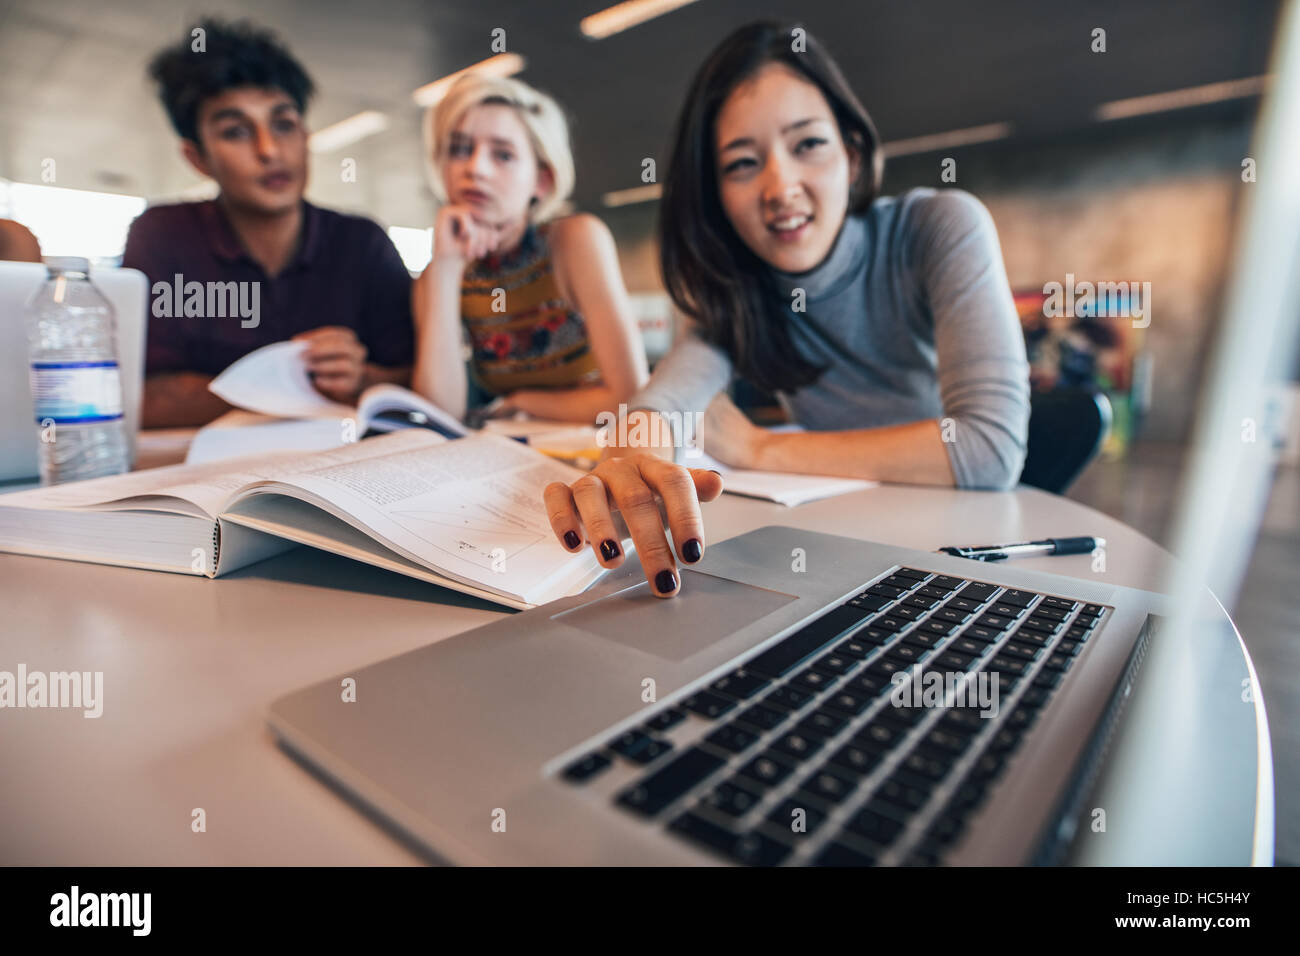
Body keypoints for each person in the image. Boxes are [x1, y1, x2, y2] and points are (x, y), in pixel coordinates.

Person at [543, 20, 1031, 597]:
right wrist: (629, 462)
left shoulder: (938, 227)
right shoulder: (736, 287)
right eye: (742, 164)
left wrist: (759, 447)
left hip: (953, 541)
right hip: (838, 542)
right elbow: (664, 404)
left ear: (851, 157)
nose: (781, 186)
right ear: (716, 195)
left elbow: (988, 448)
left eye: (808, 145)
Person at [125, 18, 415, 428]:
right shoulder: (161, 236)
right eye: (236, 131)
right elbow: (142, 397)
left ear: (305, 135)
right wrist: (290, 385)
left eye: (283, 124)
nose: (269, 149)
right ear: (198, 158)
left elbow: (414, 379)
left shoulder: (362, 242)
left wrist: (360, 378)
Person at [412, 74, 648, 424]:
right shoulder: (440, 273)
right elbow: (439, 414)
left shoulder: (573, 241)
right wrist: (445, 267)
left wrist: (522, 401)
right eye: (460, 149)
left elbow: (632, 398)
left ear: (542, 179)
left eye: (503, 155)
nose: (475, 168)